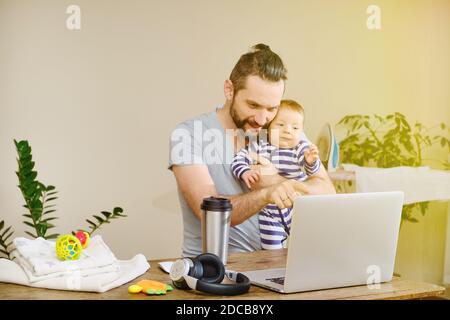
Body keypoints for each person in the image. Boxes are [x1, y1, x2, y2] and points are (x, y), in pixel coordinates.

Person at [168, 43, 335, 258]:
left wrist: (276, 182)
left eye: (272, 108)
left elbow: (327, 192)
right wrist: (266, 193)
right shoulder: (188, 134)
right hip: (213, 270)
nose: (262, 119)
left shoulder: (282, 129)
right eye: (253, 106)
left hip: (273, 266)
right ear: (230, 90)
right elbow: (208, 211)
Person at [231, 99, 321, 250]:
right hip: (270, 212)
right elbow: (239, 158)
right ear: (269, 126)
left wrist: (311, 162)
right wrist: (244, 172)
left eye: (295, 127)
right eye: (280, 125)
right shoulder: (260, 146)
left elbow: (310, 171)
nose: (288, 131)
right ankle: (275, 272)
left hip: (297, 209)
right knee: (271, 251)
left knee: (306, 246)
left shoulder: (300, 148)